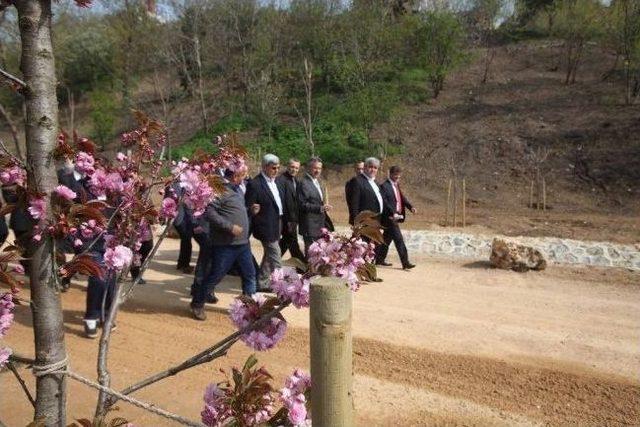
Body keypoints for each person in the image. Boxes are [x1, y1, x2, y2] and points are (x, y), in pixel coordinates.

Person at [191, 167, 256, 320]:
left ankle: (249, 308)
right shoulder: (220, 191)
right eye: (242, 175)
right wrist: (230, 227)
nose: (244, 178)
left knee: (250, 275)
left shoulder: (237, 190)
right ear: (235, 175)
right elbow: (210, 213)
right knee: (215, 275)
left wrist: (250, 210)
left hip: (243, 244)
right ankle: (197, 303)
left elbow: (234, 210)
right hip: (226, 245)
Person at [245, 154, 284, 291]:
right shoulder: (255, 184)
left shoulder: (277, 181)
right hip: (265, 225)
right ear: (265, 167)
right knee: (276, 256)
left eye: (278, 168)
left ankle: (262, 282)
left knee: (269, 255)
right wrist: (252, 210)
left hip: (277, 222)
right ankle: (282, 287)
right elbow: (247, 205)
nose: (276, 170)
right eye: (274, 168)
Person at [346, 157, 388, 282]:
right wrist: (356, 222)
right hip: (364, 223)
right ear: (365, 167)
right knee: (362, 250)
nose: (372, 169)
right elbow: (354, 204)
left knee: (373, 249)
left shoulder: (376, 183)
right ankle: (360, 274)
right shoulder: (358, 181)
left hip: (376, 223)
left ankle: (369, 274)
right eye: (370, 167)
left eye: (375, 168)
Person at [376, 165, 416, 270]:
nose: (397, 178)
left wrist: (410, 207)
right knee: (399, 239)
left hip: (397, 216)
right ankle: (405, 262)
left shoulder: (396, 185)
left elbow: (402, 198)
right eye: (395, 176)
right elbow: (385, 202)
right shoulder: (384, 186)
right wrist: (392, 213)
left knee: (387, 238)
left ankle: (379, 259)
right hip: (390, 217)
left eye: (399, 177)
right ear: (391, 174)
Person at [298, 157, 333, 255]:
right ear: (308, 168)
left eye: (319, 168)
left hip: (320, 223)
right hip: (309, 224)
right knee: (311, 253)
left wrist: (324, 207)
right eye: (315, 168)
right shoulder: (303, 183)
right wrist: (320, 208)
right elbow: (302, 204)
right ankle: (309, 270)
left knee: (319, 253)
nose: (317, 171)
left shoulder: (318, 182)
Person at [277, 158, 305, 261]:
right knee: (292, 243)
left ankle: (269, 265)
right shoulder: (281, 180)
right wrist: (289, 220)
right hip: (286, 220)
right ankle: (303, 268)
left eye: (296, 168)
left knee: (288, 242)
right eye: (292, 167)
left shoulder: (296, 180)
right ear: (288, 166)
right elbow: (282, 202)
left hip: (293, 219)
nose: (294, 169)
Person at [345, 161, 365, 225]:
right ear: (355, 169)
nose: (360, 171)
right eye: (358, 169)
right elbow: (350, 202)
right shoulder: (350, 183)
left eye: (362, 169)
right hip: (357, 217)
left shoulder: (370, 182)